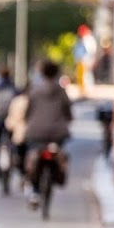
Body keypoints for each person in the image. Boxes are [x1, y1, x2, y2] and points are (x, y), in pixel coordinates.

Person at [23, 60, 73, 204]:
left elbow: (28, 112)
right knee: (59, 152)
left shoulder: (34, 90)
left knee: (31, 153)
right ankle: (59, 171)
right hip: (58, 133)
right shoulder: (61, 91)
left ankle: (33, 187)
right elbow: (68, 112)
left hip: (36, 132)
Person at [4, 85, 29, 179]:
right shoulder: (32, 100)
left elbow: (11, 117)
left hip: (18, 132)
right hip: (30, 133)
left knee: (18, 152)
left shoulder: (16, 101)